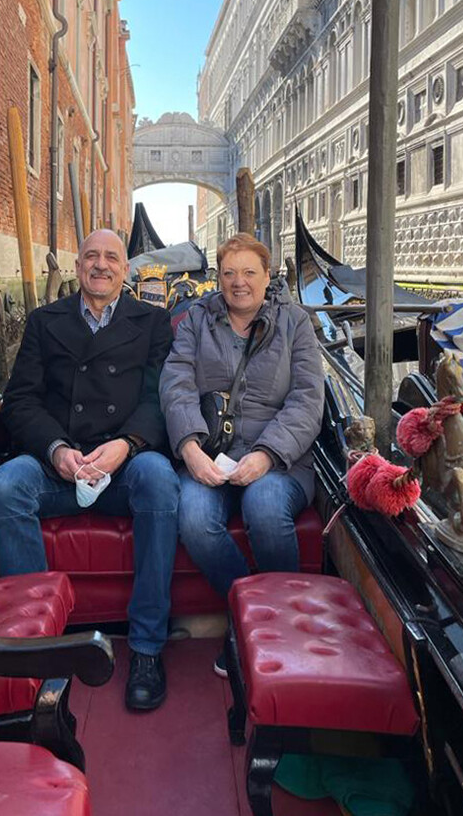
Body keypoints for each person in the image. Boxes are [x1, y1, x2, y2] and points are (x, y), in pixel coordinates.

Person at [0, 229, 180, 711]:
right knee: (6, 486)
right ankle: (38, 648)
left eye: (111, 258)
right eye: (91, 256)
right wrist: (55, 450)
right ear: (76, 268)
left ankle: (148, 648)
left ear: (125, 271)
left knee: (159, 479)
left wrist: (127, 443)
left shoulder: (153, 323)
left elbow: (161, 398)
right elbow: (21, 400)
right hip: (60, 464)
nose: (101, 265)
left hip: (124, 464)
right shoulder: (43, 321)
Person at [159, 233, 324, 672]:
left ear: (267, 277)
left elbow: (308, 399)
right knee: (193, 517)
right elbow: (176, 386)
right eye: (229, 273)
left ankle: (284, 628)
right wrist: (190, 449)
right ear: (218, 278)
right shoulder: (197, 320)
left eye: (250, 272)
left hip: (278, 458)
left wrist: (268, 454)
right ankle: (250, 616)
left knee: (266, 505)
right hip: (210, 450)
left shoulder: (296, 323)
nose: (239, 282)